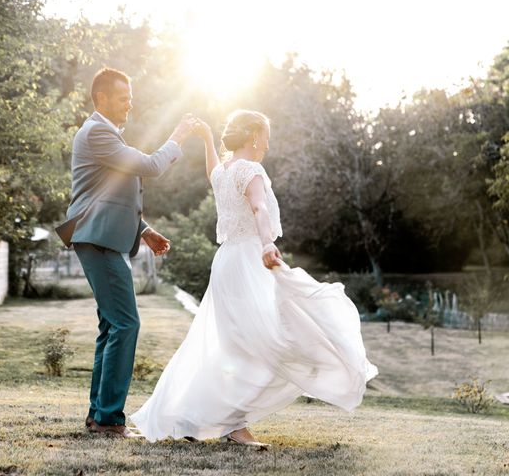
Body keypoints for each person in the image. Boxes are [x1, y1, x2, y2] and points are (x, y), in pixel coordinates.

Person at [130, 110, 378, 448]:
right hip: (248, 260)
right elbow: (260, 208)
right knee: (263, 342)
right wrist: (266, 243)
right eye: (267, 136)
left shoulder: (227, 171)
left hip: (226, 262)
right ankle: (234, 424)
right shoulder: (250, 170)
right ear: (256, 136)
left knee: (235, 344)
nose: (269, 143)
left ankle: (199, 417)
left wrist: (206, 140)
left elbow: (212, 170)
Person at [58, 68, 197, 439]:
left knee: (111, 326)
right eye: (123, 97)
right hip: (99, 240)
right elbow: (150, 166)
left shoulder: (104, 135)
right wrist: (178, 137)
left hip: (103, 237)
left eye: (130, 96)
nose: (130, 103)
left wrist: (145, 230)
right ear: (102, 98)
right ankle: (108, 419)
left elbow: (106, 195)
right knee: (126, 324)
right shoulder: (97, 132)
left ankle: (99, 415)